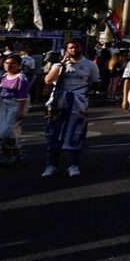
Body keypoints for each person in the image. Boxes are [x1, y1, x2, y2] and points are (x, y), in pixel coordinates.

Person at [42, 40, 100, 177]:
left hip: (78, 103)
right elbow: (48, 80)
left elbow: (96, 83)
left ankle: (73, 165)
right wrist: (61, 64)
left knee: (76, 134)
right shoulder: (58, 65)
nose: (73, 50)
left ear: (81, 48)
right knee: (53, 134)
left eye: (76, 47)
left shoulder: (90, 65)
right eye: (71, 48)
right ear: (66, 50)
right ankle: (51, 165)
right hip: (58, 102)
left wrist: (83, 94)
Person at [0, 55, 29, 167]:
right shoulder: (3, 76)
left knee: (8, 132)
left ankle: (16, 154)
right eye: (6, 63)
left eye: (12, 63)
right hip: (2, 106)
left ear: (19, 65)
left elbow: (22, 97)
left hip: (14, 106)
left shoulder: (21, 78)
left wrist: (20, 112)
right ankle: (6, 156)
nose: (8, 65)